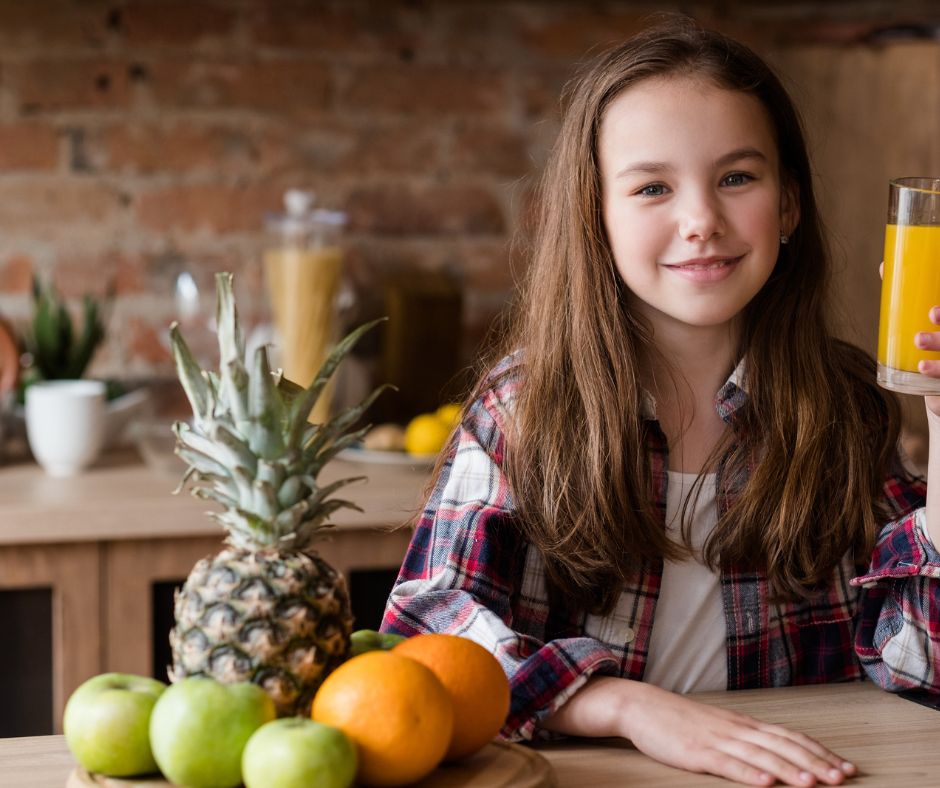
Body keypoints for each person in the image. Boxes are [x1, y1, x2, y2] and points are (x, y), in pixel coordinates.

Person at [380, 15, 940, 787]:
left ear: (790, 206)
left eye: (738, 178)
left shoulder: (844, 404)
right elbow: (427, 632)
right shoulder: (526, 407)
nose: (701, 221)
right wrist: (625, 708)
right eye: (652, 188)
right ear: (596, 219)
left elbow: (921, 666)